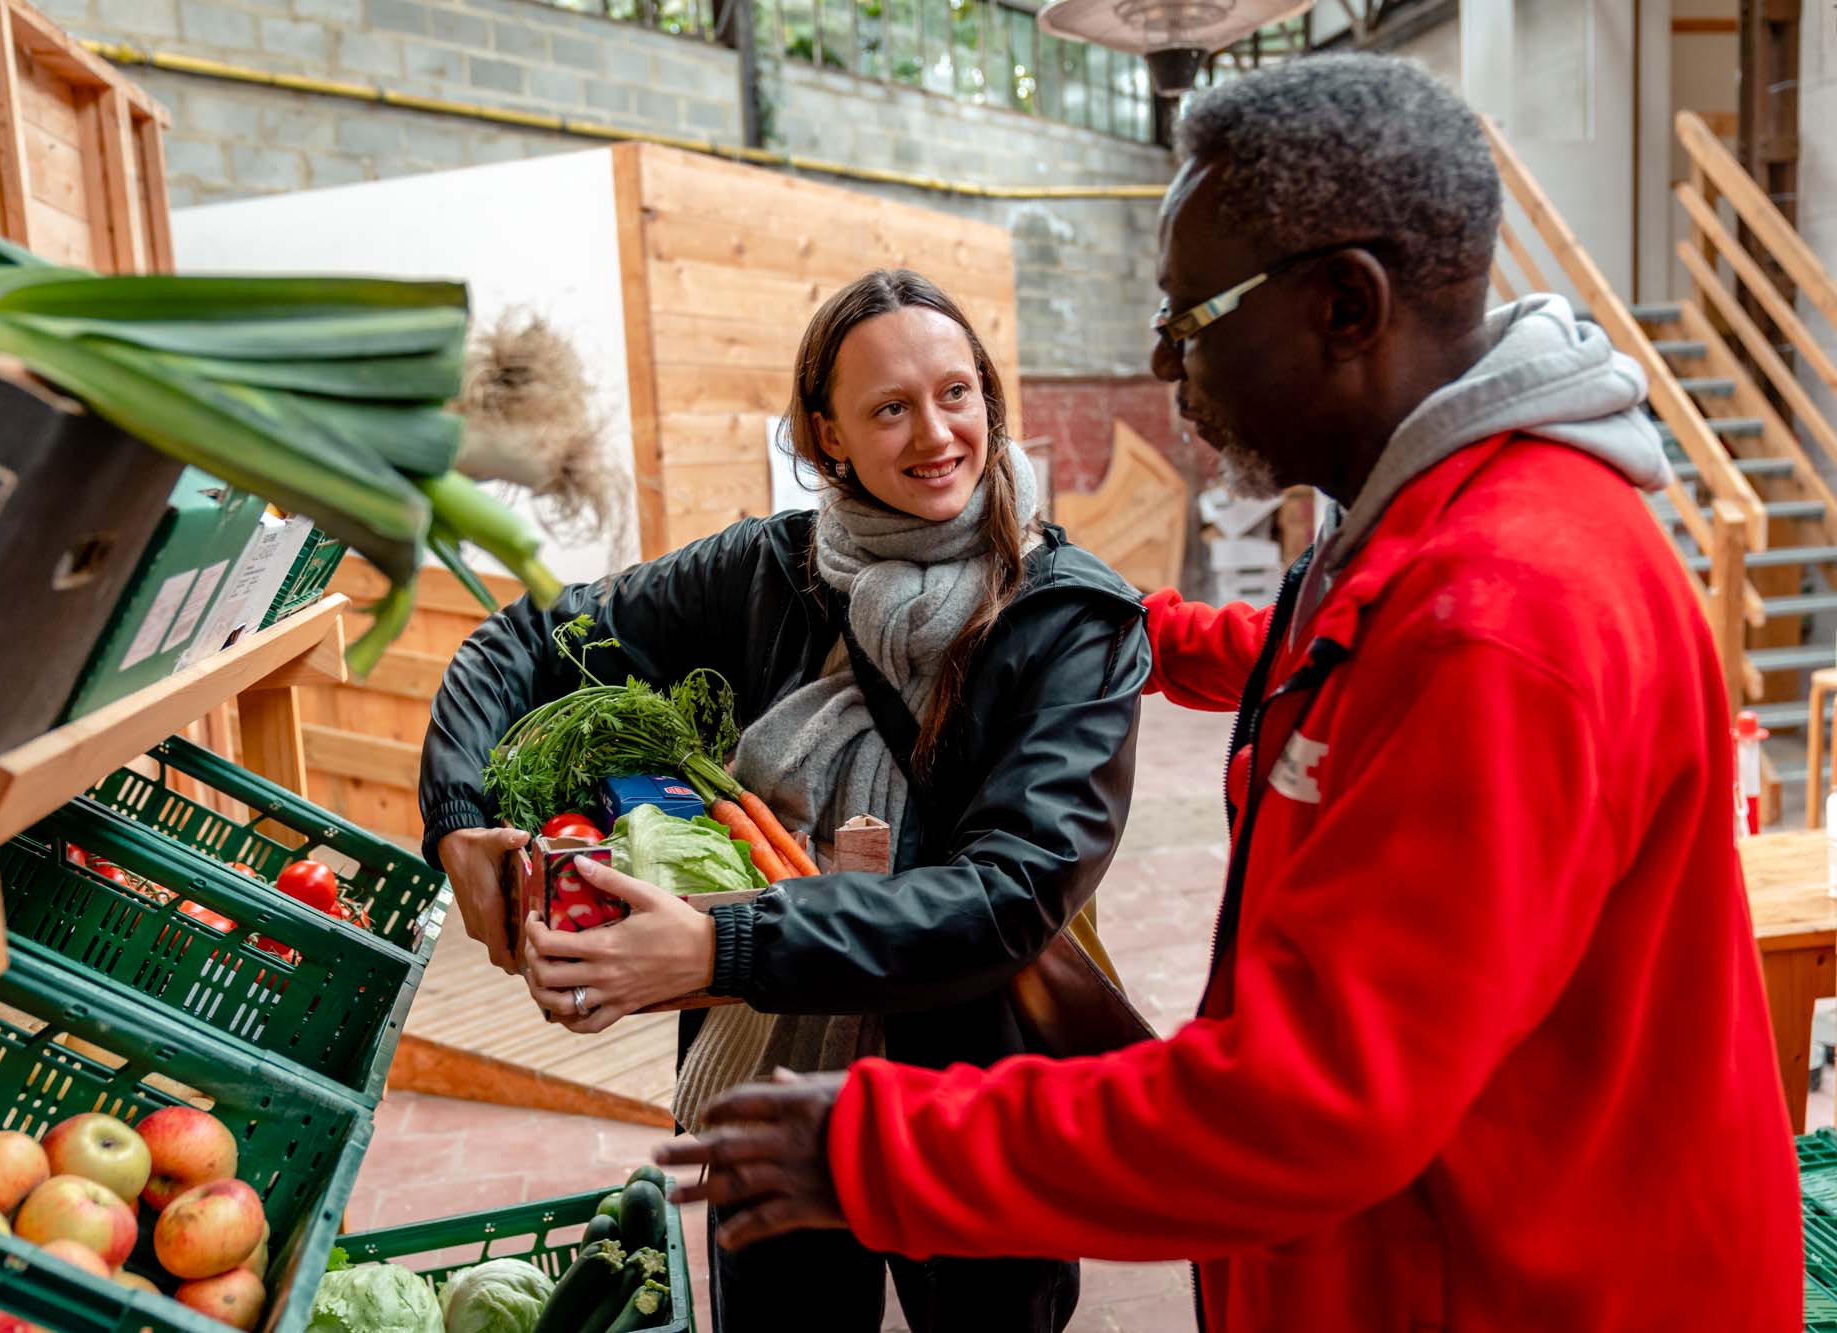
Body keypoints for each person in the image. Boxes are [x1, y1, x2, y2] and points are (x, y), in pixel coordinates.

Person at [658, 54, 1803, 1330]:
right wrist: (1080, 615)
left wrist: (884, 1150)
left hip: (1519, 1284)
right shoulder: (1412, 528)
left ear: (1343, 306)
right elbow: (1301, 652)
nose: (1162, 357)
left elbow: (1310, 1101)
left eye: (1189, 315)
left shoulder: (1501, 621)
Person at [419, 268, 1150, 1332]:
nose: (936, 434)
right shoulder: (766, 573)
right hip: (768, 1082)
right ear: (827, 437)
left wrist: (725, 946)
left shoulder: (1070, 621)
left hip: (970, 1081)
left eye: (956, 394)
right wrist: (457, 820)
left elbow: (1010, 893)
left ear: (990, 399)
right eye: (889, 408)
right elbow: (528, 637)